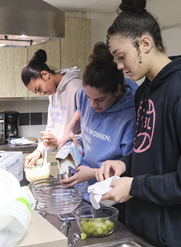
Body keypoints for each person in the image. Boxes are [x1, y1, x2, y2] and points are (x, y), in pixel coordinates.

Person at [95, 0, 181, 246]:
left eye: (121, 56)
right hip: (148, 228)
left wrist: (134, 186)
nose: (119, 65)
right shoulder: (145, 91)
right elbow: (152, 152)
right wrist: (125, 164)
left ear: (144, 43)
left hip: (180, 234)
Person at [58, 42, 138, 204]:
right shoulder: (83, 96)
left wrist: (92, 173)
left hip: (108, 195)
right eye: (89, 98)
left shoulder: (131, 115)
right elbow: (81, 109)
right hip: (82, 187)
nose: (93, 105)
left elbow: (128, 168)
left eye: (100, 100)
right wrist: (70, 127)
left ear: (117, 90)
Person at [22, 49, 83, 166]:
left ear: (45, 75)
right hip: (66, 161)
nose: (41, 93)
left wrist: (59, 141)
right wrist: (38, 152)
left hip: (80, 162)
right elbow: (51, 129)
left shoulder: (76, 88)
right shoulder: (53, 92)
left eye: (39, 88)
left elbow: (89, 133)